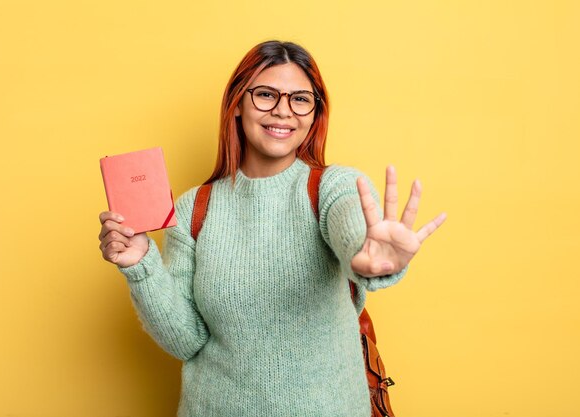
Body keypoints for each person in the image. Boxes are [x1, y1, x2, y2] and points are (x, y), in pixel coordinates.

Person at [97, 40, 446, 417]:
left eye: (300, 99)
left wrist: (367, 254)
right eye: (266, 95)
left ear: (315, 113)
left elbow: (351, 229)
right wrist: (140, 265)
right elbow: (186, 341)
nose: (283, 111)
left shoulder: (334, 187)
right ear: (237, 104)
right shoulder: (193, 208)